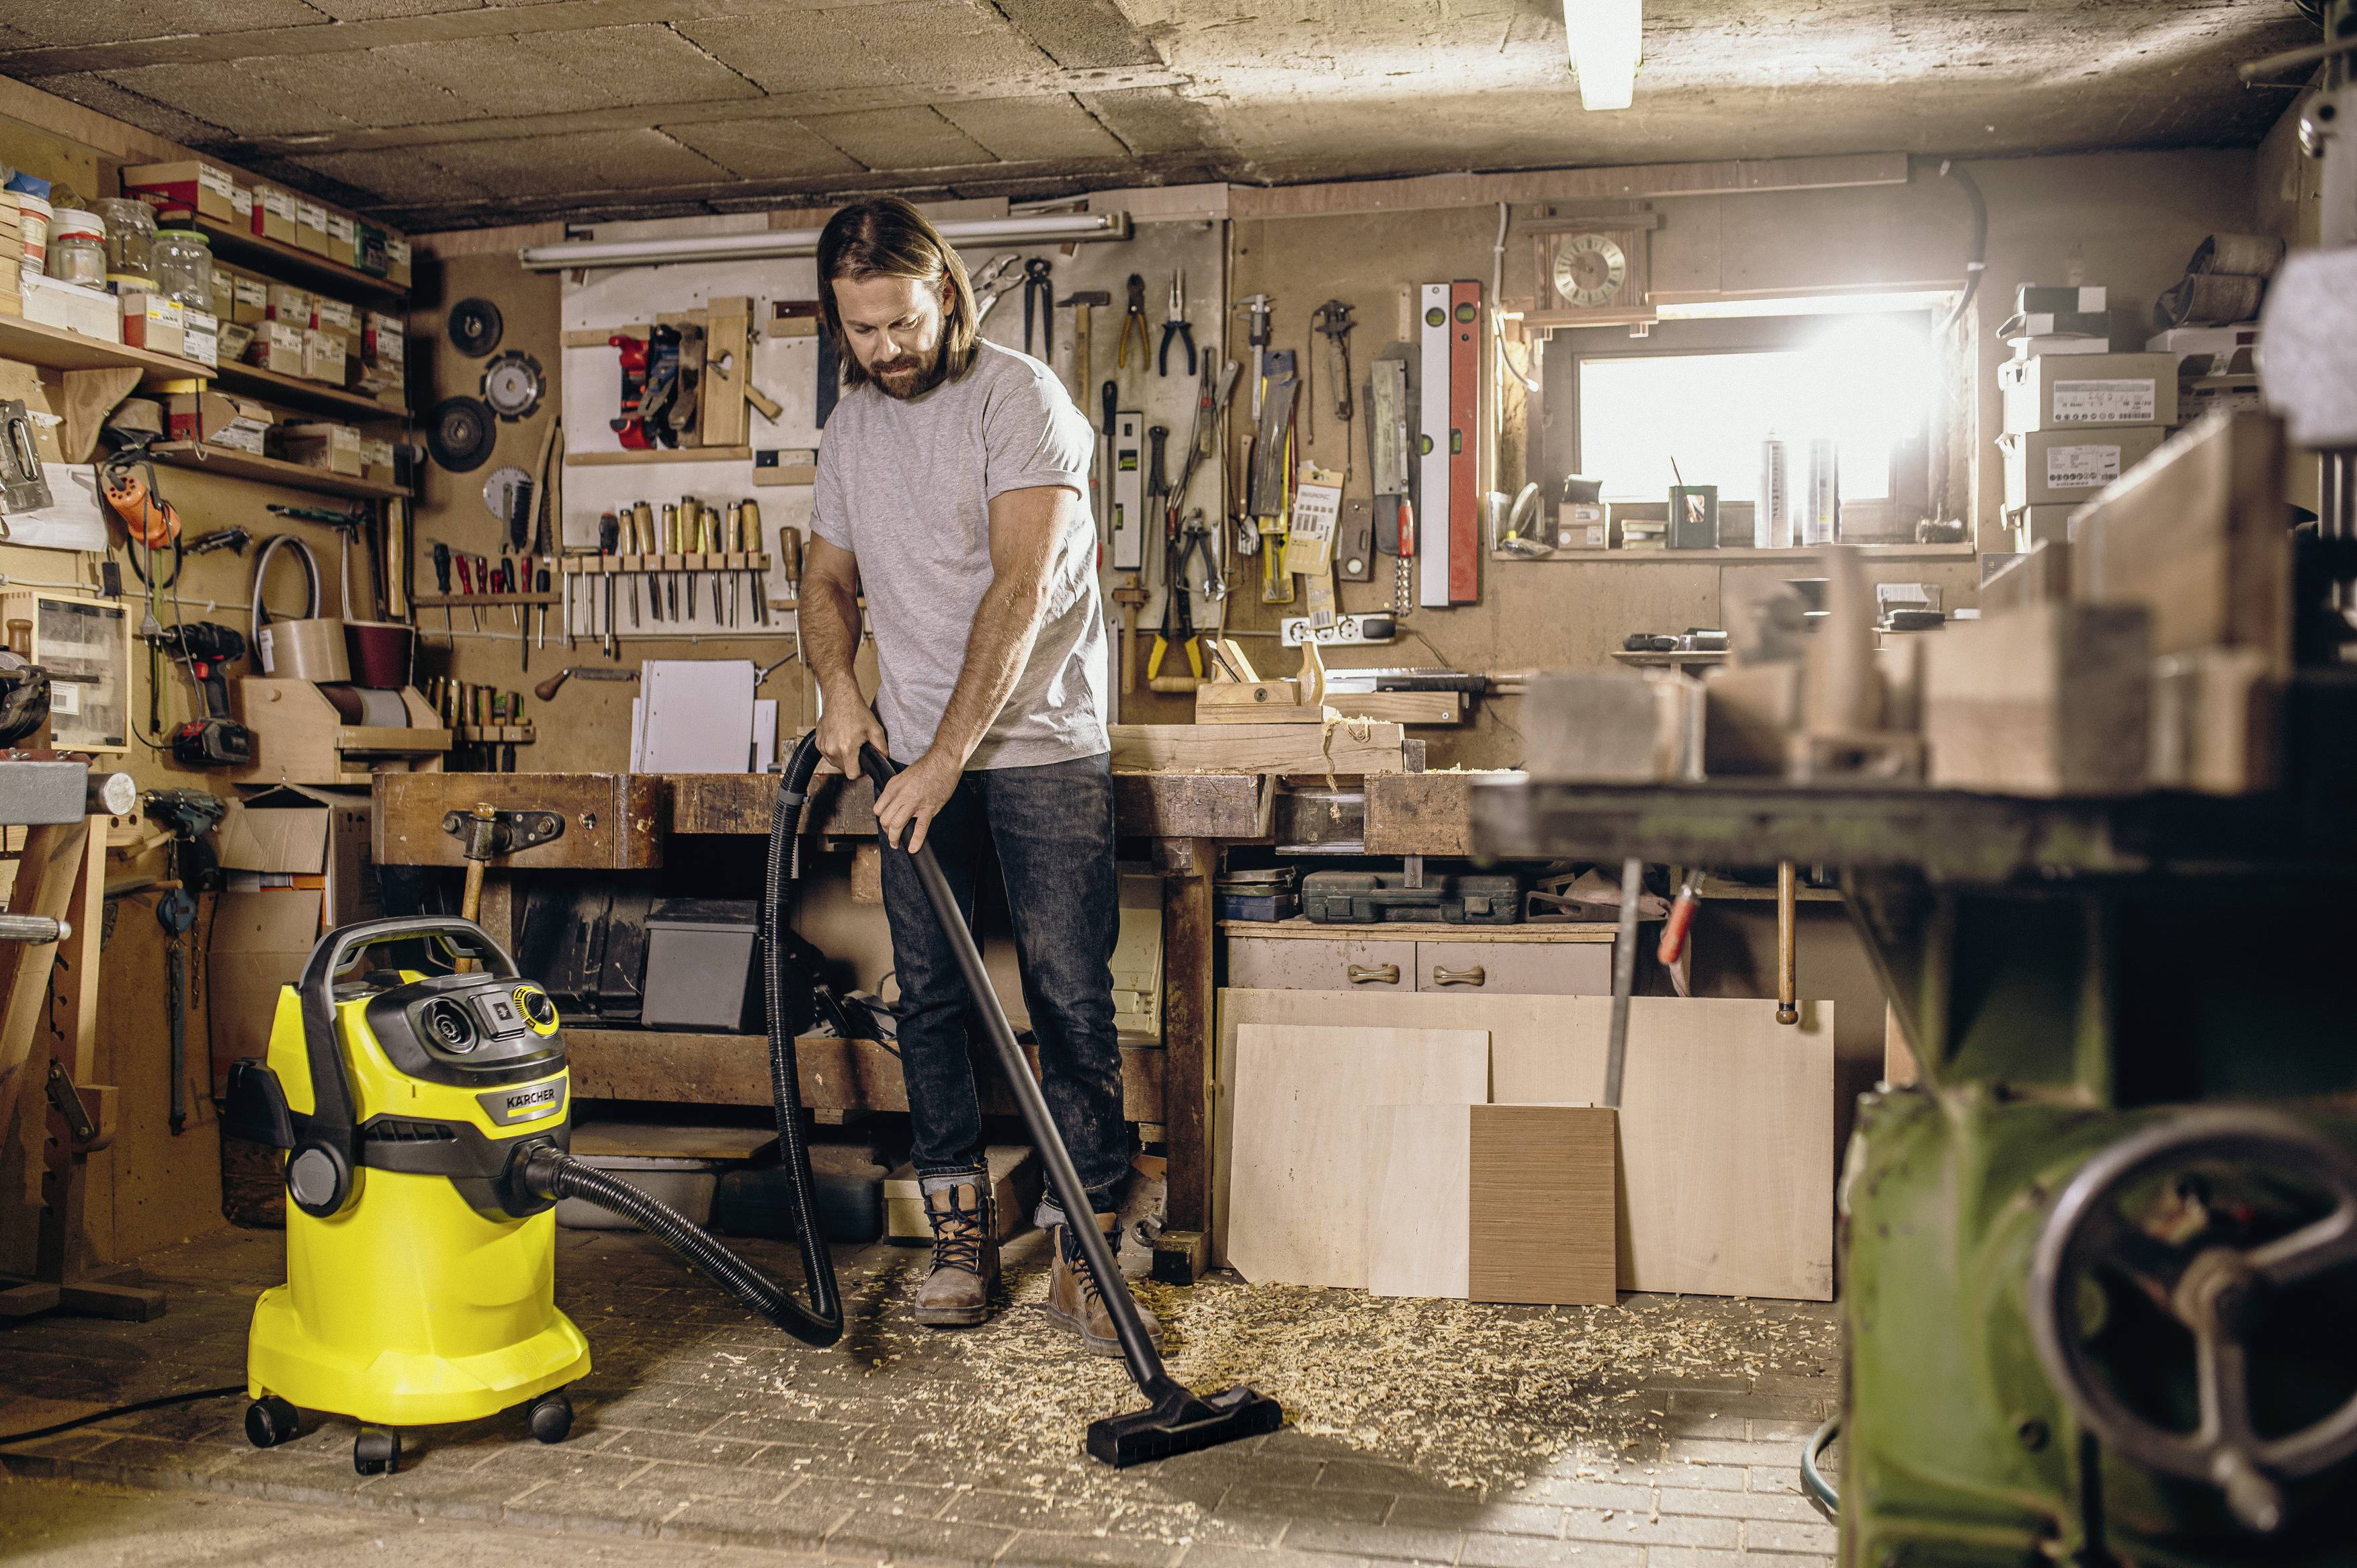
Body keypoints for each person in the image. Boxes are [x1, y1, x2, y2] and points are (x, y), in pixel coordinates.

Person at [798, 195, 1153, 1357]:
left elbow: (1020, 587)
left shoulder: (1020, 399)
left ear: (944, 292)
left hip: (1040, 744)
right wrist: (840, 689)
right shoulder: (852, 427)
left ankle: (1086, 1246)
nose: (887, 350)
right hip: (913, 749)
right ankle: (958, 1240)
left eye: (901, 322)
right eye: (862, 331)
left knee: (1068, 991)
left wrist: (948, 756)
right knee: (932, 994)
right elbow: (826, 581)